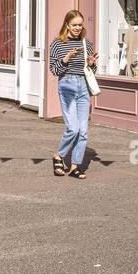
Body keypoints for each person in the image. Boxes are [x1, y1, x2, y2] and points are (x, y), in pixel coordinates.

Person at [49, 9, 98, 178]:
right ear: (67, 25)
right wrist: (66, 58)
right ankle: (59, 155)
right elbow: (54, 70)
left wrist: (91, 63)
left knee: (83, 131)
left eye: (80, 25)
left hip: (83, 85)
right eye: (74, 25)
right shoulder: (57, 43)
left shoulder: (87, 44)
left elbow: (92, 70)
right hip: (67, 85)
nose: (77, 28)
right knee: (73, 128)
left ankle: (75, 166)